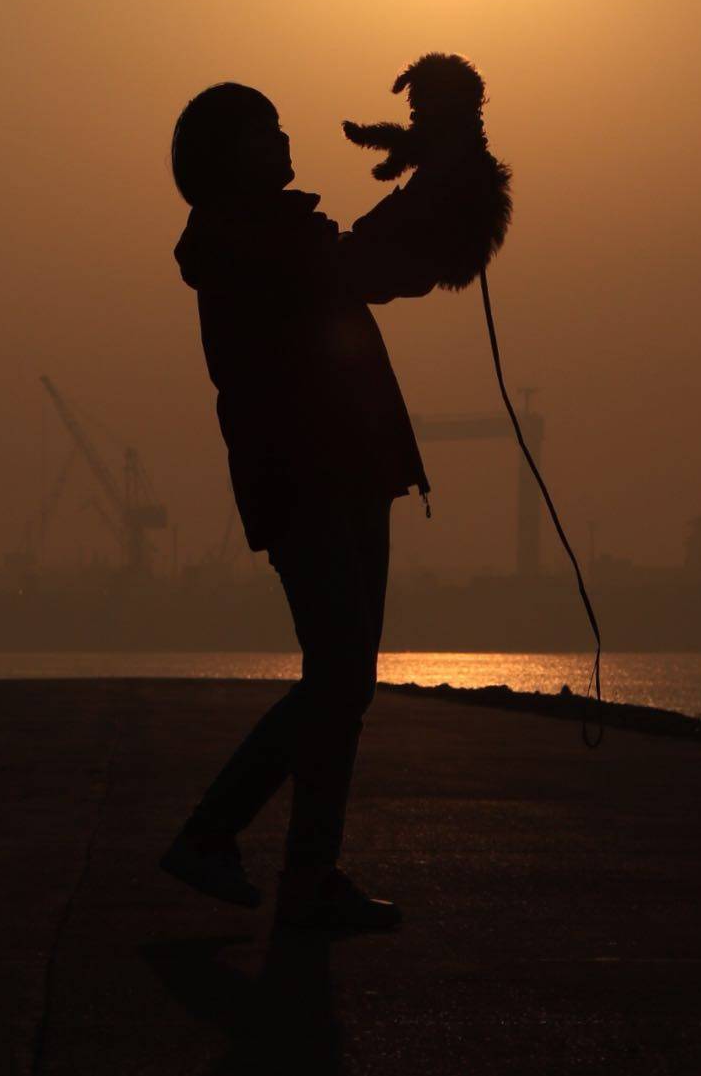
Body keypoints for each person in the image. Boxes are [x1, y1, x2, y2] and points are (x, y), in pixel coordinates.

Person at [160, 81, 445, 932]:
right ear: (226, 156)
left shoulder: (273, 232)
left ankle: (307, 874)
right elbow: (368, 267)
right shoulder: (246, 238)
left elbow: (382, 269)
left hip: (350, 470)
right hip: (308, 478)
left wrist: (433, 202)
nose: (283, 140)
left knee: (342, 681)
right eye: (263, 132)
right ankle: (215, 835)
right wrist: (436, 189)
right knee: (339, 676)